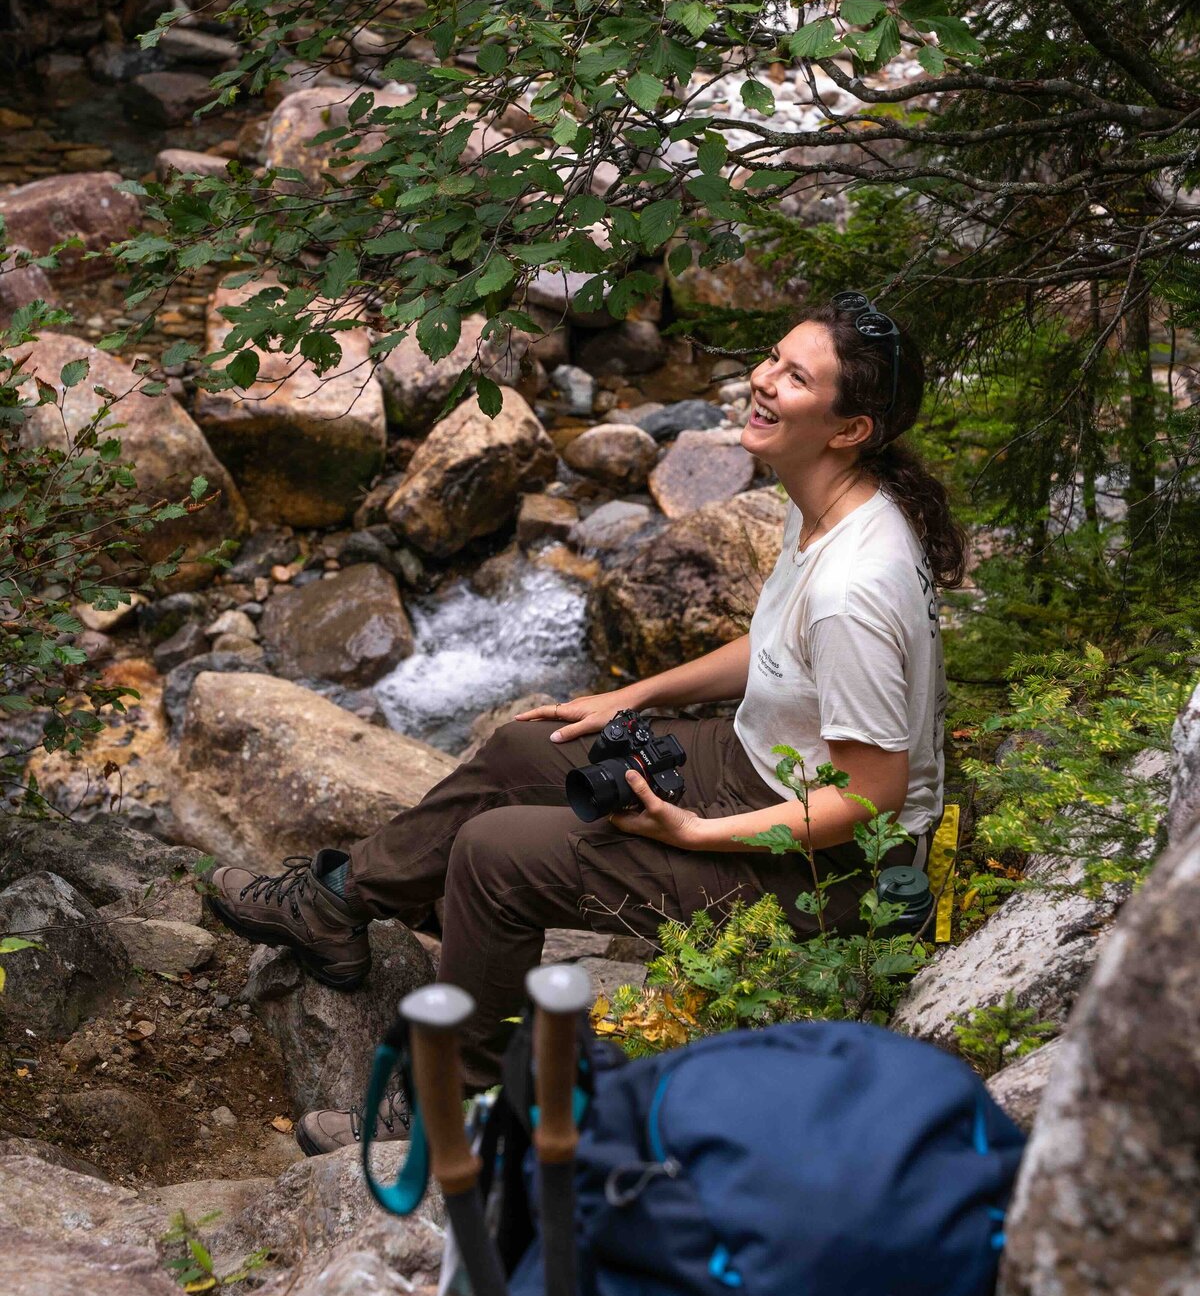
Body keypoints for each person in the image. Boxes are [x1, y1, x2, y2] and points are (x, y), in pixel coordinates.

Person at [208, 293, 964, 1153]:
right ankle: (333, 907)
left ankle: (456, 1113)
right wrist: (630, 697)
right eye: (773, 356)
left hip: (840, 871)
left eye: (796, 377)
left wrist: (693, 836)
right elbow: (774, 649)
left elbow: (871, 797)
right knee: (534, 744)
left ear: (848, 427)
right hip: (768, 768)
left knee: (497, 856)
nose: (762, 379)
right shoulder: (826, 497)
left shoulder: (854, 589)